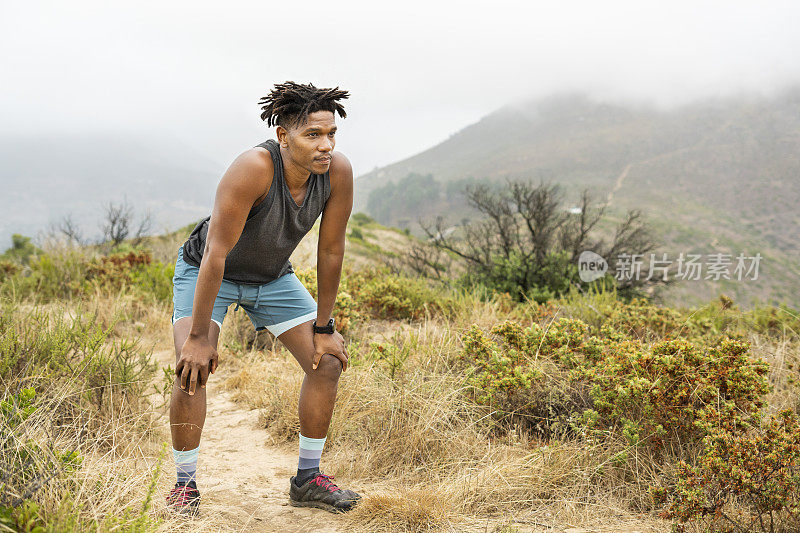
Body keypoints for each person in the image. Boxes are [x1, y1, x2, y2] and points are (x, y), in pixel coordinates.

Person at [166, 81, 361, 515]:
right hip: (208, 271)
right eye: (313, 135)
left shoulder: (338, 174)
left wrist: (325, 329)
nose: (325, 145)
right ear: (283, 136)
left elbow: (331, 251)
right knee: (191, 368)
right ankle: (184, 486)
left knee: (326, 360)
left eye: (331, 134)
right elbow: (216, 253)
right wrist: (199, 337)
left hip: (272, 278)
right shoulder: (254, 167)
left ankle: (308, 480)